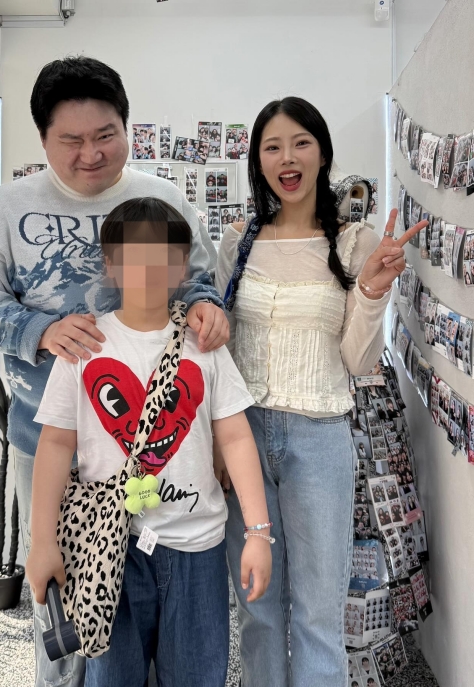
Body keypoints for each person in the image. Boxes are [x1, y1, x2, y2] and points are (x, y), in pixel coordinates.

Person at [0, 57, 229, 687]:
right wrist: (37, 331)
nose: (91, 154)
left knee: (144, 594)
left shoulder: (163, 198)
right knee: (61, 593)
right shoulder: (7, 209)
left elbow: (200, 279)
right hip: (48, 438)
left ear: (126, 126)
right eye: (70, 140)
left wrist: (207, 306)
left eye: (106, 135)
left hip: (152, 445)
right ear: (42, 139)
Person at [214, 96, 426, 687]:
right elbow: (218, 351)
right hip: (242, 438)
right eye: (273, 147)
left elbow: (358, 360)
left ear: (323, 153)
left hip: (320, 440)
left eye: (300, 143)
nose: (287, 158)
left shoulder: (355, 243)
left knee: (318, 616)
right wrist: (214, 437)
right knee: (256, 611)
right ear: (258, 161)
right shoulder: (237, 242)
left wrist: (372, 291)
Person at [26, 198, 272, 687]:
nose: (149, 268)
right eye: (134, 255)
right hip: (109, 548)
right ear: (111, 264)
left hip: (198, 548)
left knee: (198, 675)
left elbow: (236, 436)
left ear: (182, 266)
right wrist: (41, 542)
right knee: (113, 676)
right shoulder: (84, 346)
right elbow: (53, 444)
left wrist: (258, 534)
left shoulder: (204, 345)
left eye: (164, 256)